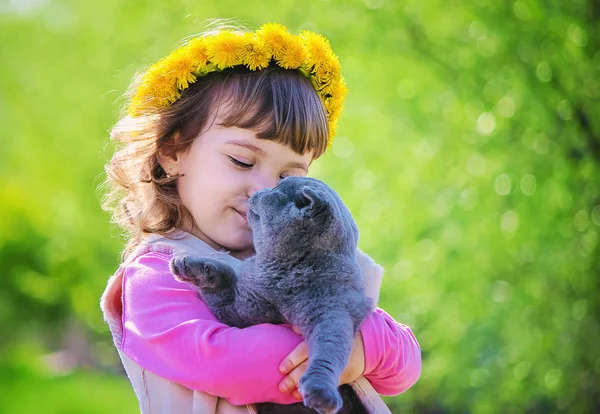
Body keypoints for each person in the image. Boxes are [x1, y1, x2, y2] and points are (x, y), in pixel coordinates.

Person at [99, 22, 421, 413]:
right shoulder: (157, 276)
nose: (265, 192)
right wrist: (330, 345)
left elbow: (405, 364)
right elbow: (223, 362)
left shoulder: (301, 259)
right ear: (172, 152)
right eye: (242, 160)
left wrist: (363, 349)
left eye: (288, 177)